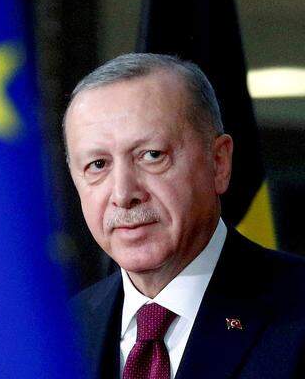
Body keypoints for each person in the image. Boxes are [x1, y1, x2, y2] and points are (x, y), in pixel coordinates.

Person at [64, 53, 305, 379]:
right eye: (98, 165)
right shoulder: (60, 332)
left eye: (152, 155)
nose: (122, 194)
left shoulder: (297, 309)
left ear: (219, 163)